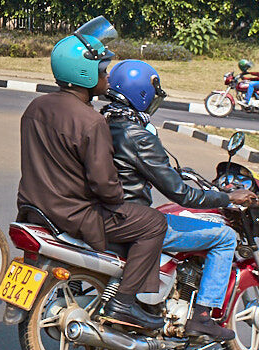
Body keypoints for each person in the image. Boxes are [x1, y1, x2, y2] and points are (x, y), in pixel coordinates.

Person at [17, 20, 167, 332]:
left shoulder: (36, 107)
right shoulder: (91, 121)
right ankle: (125, 303)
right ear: (83, 74)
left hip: (34, 208)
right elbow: (105, 186)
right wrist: (121, 199)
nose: (107, 75)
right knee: (154, 222)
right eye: (102, 69)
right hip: (75, 214)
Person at [104, 59, 257, 341]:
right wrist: (226, 196)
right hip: (135, 217)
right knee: (224, 237)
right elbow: (181, 193)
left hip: (110, 212)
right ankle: (201, 316)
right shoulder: (138, 135)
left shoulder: (107, 123)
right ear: (142, 93)